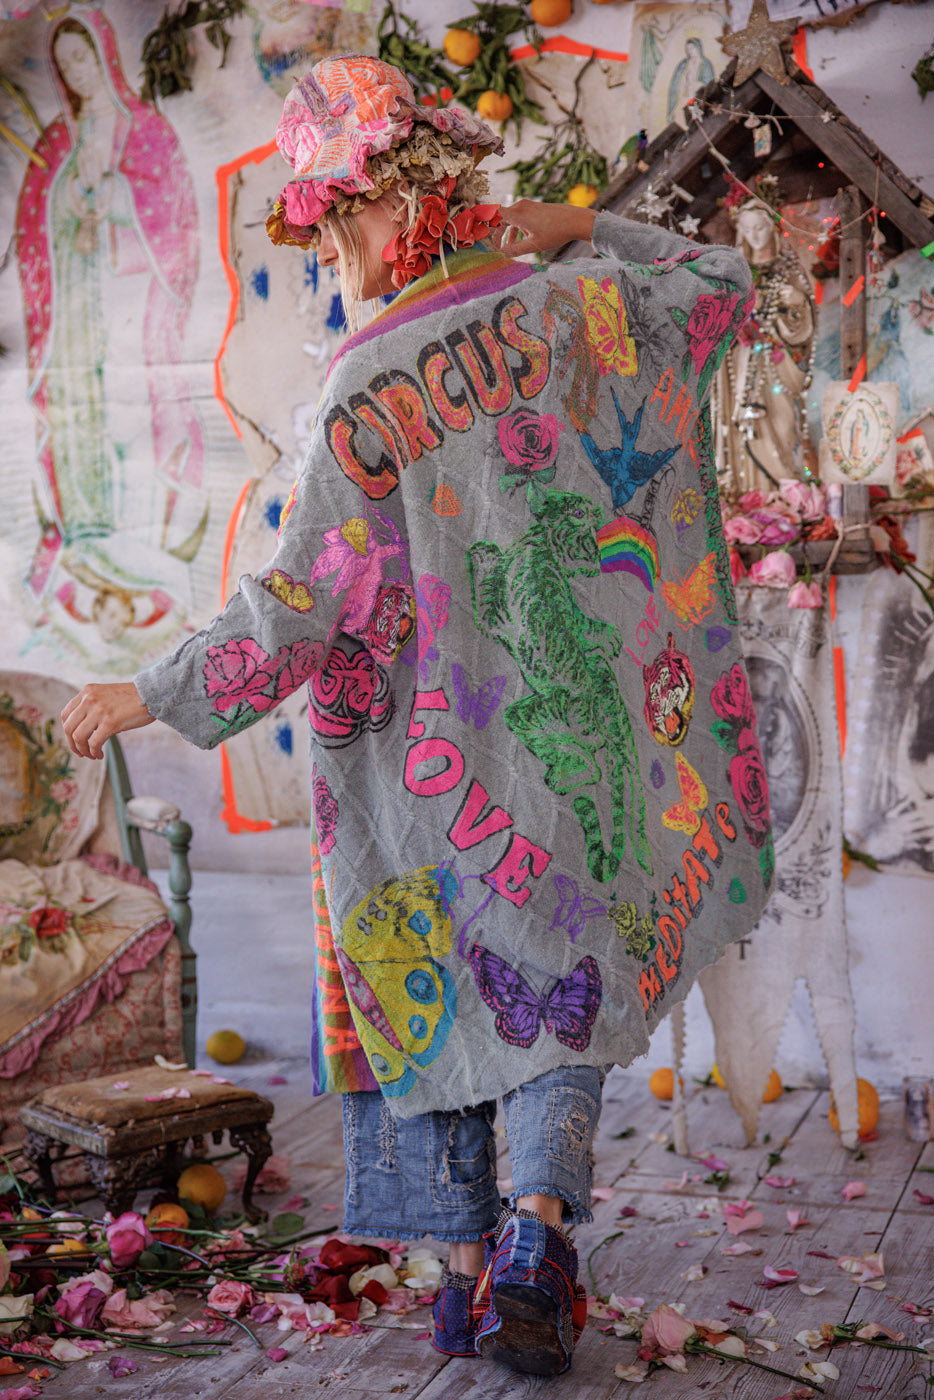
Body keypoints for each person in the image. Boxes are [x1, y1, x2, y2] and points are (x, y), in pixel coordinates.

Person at [62, 56, 772, 1377]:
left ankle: (453, 1275)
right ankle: (534, 1230)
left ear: (391, 204)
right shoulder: (579, 303)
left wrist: (147, 692)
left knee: (421, 975)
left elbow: (300, 605)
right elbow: (721, 285)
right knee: (563, 973)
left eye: (335, 224)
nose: (333, 256)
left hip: (421, 766)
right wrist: (578, 225)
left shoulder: (365, 380)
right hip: (575, 748)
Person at [15, 10, 204, 650]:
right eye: (65, 64)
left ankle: (142, 541)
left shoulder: (147, 131)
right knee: (79, 413)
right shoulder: (54, 144)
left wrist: (116, 196)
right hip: (76, 306)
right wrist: (69, 205)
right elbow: (35, 228)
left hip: (132, 301)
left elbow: (174, 213)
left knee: (139, 414)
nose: (76, 72)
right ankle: (88, 528)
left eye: (83, 58)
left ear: (104, 57)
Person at [710, 184, 816, 496]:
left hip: (777, 368)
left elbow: (804, 324)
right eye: (747, 230)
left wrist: (792, 300)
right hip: (742, 363)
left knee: (781, 424)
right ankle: (750, 494)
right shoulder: (735, 275)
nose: (754, 236)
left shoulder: (790, 270)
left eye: (760, 228)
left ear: (772, 228)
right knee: (744, 424)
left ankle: (784, 490)